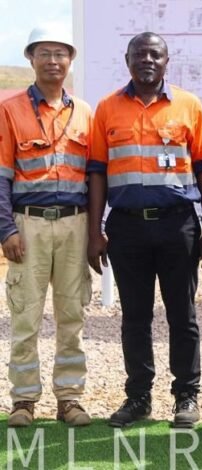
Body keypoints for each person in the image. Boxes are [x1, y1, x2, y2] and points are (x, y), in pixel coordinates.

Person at [87, 32, 202, 429]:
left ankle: (186, 395)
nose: (147, 60)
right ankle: (138, 396)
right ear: (127, 61)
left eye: (155, 54)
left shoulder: (189, 106)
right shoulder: (107, 109)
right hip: (126, 230)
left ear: (166, 61)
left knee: (183, 315)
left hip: (178, 226)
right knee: (135, 317)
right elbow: (97, 174)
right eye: (139, 54)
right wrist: (95, 232)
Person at [0, 24, 92, 427]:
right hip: (29, 226)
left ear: (71, 60)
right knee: (26, 316)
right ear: (30, 58)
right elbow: (1, 176)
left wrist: (96, 234)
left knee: (72, 316)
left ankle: (69, 399)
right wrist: (7, 230)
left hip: (76, 225)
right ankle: (23, 401)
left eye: (60, 53)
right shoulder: (10, 110)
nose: (53, 61)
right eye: (45, 53)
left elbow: (95, 178)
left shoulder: (85, 112)